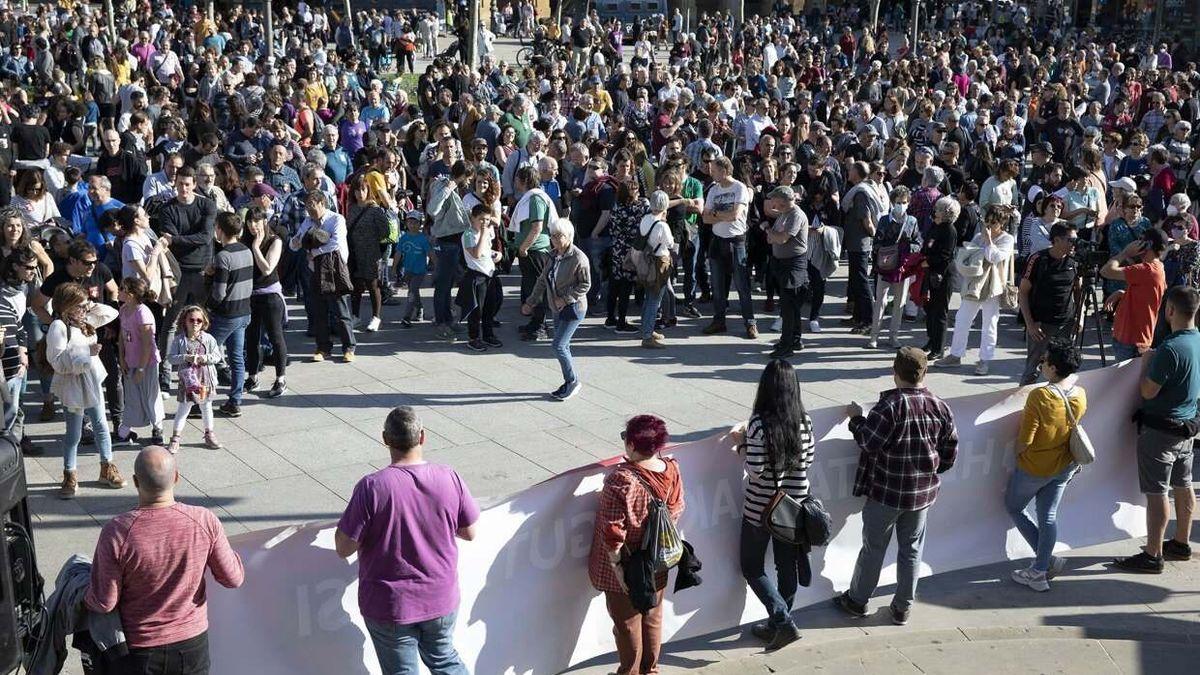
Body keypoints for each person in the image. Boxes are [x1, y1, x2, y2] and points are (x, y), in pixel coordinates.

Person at [336, 406, 479, 675]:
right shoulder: (449, 476)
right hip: (441, 598)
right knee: (445, 660)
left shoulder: (372, 487)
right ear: (422, 437)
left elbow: (344, 547)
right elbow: (470, 532)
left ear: (385, 439)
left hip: (390, 606)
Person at [85, 445, 244, 674]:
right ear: (176, 477)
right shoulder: (204, 521)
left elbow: (104, 601)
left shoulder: (117, 531)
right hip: (192, 646)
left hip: (140, 651)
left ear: (136, 482)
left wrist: (80, 592)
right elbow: (233, 578)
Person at [836, 347, 958, 625]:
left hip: (886, 493)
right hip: (921, 495)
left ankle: (857, 600)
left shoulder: (890, 406)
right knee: (911, 550)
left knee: (873, 548)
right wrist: (931, 471)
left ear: (895, 374)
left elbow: (868, 441)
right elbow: (950, 451)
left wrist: (856, 419)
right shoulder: (940, 406)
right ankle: (902, 607)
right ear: (925, 373)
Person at [587, 414, 684, 675]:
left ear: (631, 444)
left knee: (628, 623)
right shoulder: (671, 469)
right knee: (652, 618)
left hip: (629, 563)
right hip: (658, 557)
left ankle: (628, 672)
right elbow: (677, 509)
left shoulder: (622, 480)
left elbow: (613, 532)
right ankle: (650, 670)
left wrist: (619, 569)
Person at [1114, 285, 1200, 573]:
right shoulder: (1197, 340)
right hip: (1187, 426)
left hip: (1161, 430)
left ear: (1170, 310)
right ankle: (1181, 542)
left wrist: (1146, 364)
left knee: (1157, 492)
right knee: (1184, 485)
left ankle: (1153, 554)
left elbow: (1148, 392)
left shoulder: (1170, 349)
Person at [730, 360, 814, 650]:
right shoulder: (804, 420)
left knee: (752, 567)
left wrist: (741, 443)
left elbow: (756, 471)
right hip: (794, 508)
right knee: (785, 567)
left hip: (760, 508)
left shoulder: (758, 424)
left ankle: (781, 620)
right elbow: (809, 459)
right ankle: (780, 622)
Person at [1006, 339, 1086, 592]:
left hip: (1035, 466)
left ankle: (1043, 566)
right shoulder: (1080, 394)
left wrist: (1017, 455)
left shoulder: (1040, 395)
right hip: (1064, 466)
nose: (1042, 362)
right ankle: (1042, 566)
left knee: (1014, 507)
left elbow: (1025, 440)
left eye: (1045, 360)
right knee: (1048, 516)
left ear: (1053, 368)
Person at [45, 282, 124, 499]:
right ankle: (69, 474)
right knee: (74, 432)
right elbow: (57, 362)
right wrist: (86, 352)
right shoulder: (59, 327)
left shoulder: (85, 320)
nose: (83, 309)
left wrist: (89, 305)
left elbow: (112, 313)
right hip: (72, 384)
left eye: (83, 306)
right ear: (66, 306)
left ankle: (107, 467)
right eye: (78, 306)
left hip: (91, 381)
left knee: (100, 425)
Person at [937, 205, 1016, 375]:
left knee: (989, 323)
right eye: (986, 221)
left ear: (1001, 223)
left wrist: (988, 242)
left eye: (993, 222)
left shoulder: (1007, 239)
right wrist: (982, 242)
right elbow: (968, 253)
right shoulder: (979, 236)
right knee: (962, 318)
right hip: (974, 284)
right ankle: (956, 355)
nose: (989, 225)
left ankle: (984, 360)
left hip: (993, 286)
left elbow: (994, 257)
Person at [523, 218, 590, 401]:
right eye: (552, 236)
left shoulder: (579, 258)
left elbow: (585, 285)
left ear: (569, 236)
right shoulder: (552, 255)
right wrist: (531, 301)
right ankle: (569, 381)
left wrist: (566, 299)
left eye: (559, 236)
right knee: (563, 345)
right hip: (556, 307)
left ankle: (573, 381)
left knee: (558, 345)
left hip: (574, 308)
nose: (555, 239)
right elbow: (542, 280)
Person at [290, 191, 356, 362]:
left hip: (334, 271)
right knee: (318, 311)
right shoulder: (307, 221)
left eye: (312, 205)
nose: (309, 210)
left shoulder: (336, 219)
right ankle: (323, 348)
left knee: (340, 311)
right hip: (314, 271)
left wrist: (315, 252)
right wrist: (295, 243)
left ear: (321, 203)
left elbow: (335, 243)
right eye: (307, 206)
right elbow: (297, 241)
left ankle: (349, 347)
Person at [702, 156, 757, 339]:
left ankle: (750, 322)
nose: (712, 172)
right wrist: (720, 215)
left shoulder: (739, 188)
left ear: (724, 171)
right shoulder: (713, 190)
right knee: (717, 286)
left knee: (742, 285)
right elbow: (705, 218)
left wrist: (716, 213)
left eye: (715, 170)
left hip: (736, 241)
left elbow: (735, 215)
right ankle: (719, 321)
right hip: (717, 241)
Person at [1019, 223, 1081, 385]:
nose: (1074, 244)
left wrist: (1078, 318)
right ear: (1057, 240)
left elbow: (1078, 291)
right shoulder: (1038, 259)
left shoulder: (1074, 262)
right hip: (1040, 326)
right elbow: (1023, 292)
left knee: (1061, 370)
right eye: (1071, 240)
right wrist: (1030, 325)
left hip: (1065, 324)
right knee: (1032, 370)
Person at [206, 212, 254, 418]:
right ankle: (235, 401)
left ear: (220, 230)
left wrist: (208, 307)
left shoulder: (222, 256)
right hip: (244, 312)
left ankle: (200, 399)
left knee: (204, 354)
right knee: (236, 358)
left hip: (226, 315)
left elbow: (219, 292)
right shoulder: (246, 251)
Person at [1100, 228, 1169, 361]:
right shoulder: (1157, 267)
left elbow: (1106, 271)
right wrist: (1123, 293)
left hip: (1131, 341)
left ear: (1146, 245)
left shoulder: (1147, 270)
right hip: (1133, 339)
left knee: (1125, 381)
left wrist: (1124, 253)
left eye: (1140, 241)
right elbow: (1147, 295)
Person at [242, 206, 288, 399]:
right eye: (250, 221)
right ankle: (252, 376)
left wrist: (255, 247)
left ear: (264, 221)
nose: (253, 226)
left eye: (257, 221)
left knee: (275, 337)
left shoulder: (274, 240)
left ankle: (280, 378)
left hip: (270, 295)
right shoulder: (244, 239)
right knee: (251, 338)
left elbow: (267, 268)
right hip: (251, 296)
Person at [866, 186, 919, 350]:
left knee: (900, 303)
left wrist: (909, 247)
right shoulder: (884, 220)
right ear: (892, 202)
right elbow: (876, 243)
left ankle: (893, 336)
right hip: (885, 266)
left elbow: (918, 243)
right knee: (880, 302)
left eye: (904, 202)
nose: (901, 205)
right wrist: (884, 250)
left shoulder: (912, 221)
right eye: (898, 202)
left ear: (908, 203)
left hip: (903, 269)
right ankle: (874, 336)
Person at [166, 306, 224, 453]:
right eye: (191, 320)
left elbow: (217, 356)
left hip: (205, 379)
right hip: (188, 381)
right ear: (185, 321)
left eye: (199, 320)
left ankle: (209, 433)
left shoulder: (208, 339)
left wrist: (204, 358)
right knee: (183, 409)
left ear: (203, 322)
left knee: (207, 407)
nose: (195, 323)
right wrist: (186, 357)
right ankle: (175, 438)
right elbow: (171, 358)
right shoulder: (179, 340)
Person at [117, 277, 164, 446]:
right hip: (130, 362)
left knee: (150, 395)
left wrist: (141, 370)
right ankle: (125, 429)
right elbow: (122, 336)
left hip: (147, 364)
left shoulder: (143, 314)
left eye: (121, 288)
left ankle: (158, 427)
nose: (118, 290)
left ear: (130, 294)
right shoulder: (123, 309)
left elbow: (147, 346)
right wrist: (122, 358)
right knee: (132, 397)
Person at [458, 204, 504, 351]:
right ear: (473, 218)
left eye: (487, 219)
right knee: (477, 309)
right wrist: (484, 234)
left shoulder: (485, 233)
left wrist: (495, 254)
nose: (484, 223)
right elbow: (476, 254)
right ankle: (474, 337)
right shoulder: (469, 234)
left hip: (489, 274)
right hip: (476, 276)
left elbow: (485, 251)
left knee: (491, 306)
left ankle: (488, 334)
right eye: (481, 219)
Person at [921, 197, 960, 360]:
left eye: (938, 209)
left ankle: (938, 348)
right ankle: (931, 340)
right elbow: (927, 245)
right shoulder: (934, 226)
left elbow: (945, 255)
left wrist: (928, 260)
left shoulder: (949, 230)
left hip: (942, 275)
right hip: (929, 272)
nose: (935, 211)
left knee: (939, 312)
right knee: (928, 309)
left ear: (946, 213)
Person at [636, 191, 674, 349]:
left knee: (648, 296)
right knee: (655, 299)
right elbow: (670, 243)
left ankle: (646, 328)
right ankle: (647, 334)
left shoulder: (645, 219)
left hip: (646, 262)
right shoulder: (662, 225)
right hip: (659, 262)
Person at [397, 210, 433, 328]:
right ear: (406, 223)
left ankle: (406, 317)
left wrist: (437, 267)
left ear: (420, 224)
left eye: (415, 222)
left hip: (420, 271)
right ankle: (420, 308)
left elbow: (430, 253)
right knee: (414, 292)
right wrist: (394, 268)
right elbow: (398, 253)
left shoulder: (423, 239)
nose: (412, 225)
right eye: (410, 222)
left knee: (411, 291)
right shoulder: (404, 238)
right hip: (408, 270)